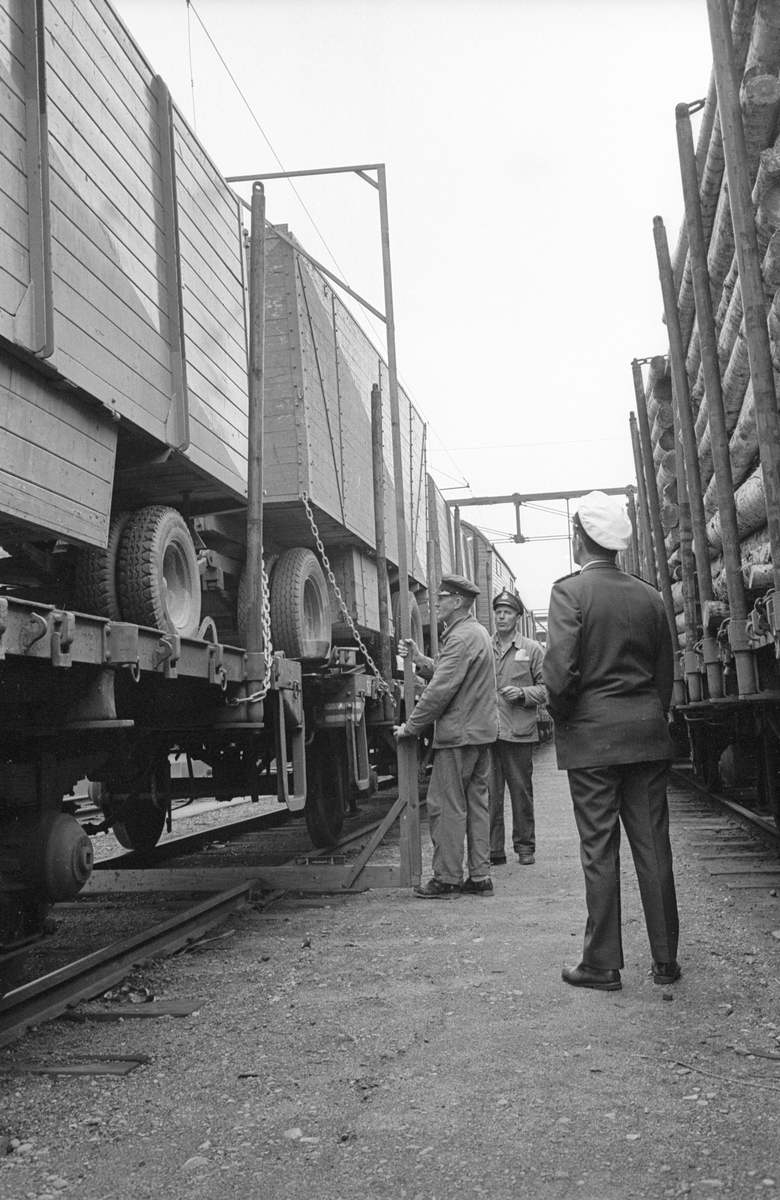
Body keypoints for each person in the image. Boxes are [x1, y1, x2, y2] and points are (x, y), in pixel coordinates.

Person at [542, 491, 679, 992]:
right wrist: (647, 716)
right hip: (645, 736)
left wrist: (568, 719)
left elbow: (560, 674)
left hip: (592, 742)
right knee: (654, 847)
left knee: (599, 848)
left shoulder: (570, 593)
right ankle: (665, 961)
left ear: (578, 537)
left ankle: (602, 965)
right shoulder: (650, 596)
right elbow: (664, 673)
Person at [394, 574, 499, 898]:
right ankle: (480, 876)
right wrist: (420, 659)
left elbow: (440, 691)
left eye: (441, 598)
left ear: (457, 602)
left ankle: (447, 879)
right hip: (479, 734)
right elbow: (449, 671)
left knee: (444, 805)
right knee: (476, 805)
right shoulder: (475, 633)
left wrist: (411, 727)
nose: (435, 603)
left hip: (459, 735)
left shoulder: (460, 638)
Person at [488, 590, 547, 867]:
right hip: (489, 733)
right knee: (490, 794)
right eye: (498, 611)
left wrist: (523, 694)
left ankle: (525, 847)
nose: (501, 616)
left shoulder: (532, 649)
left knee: (521, 792)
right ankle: (494, 851)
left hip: (519, 733)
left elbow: (548, 688)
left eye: (507, 612)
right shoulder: (484, 647)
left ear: (517, 617)